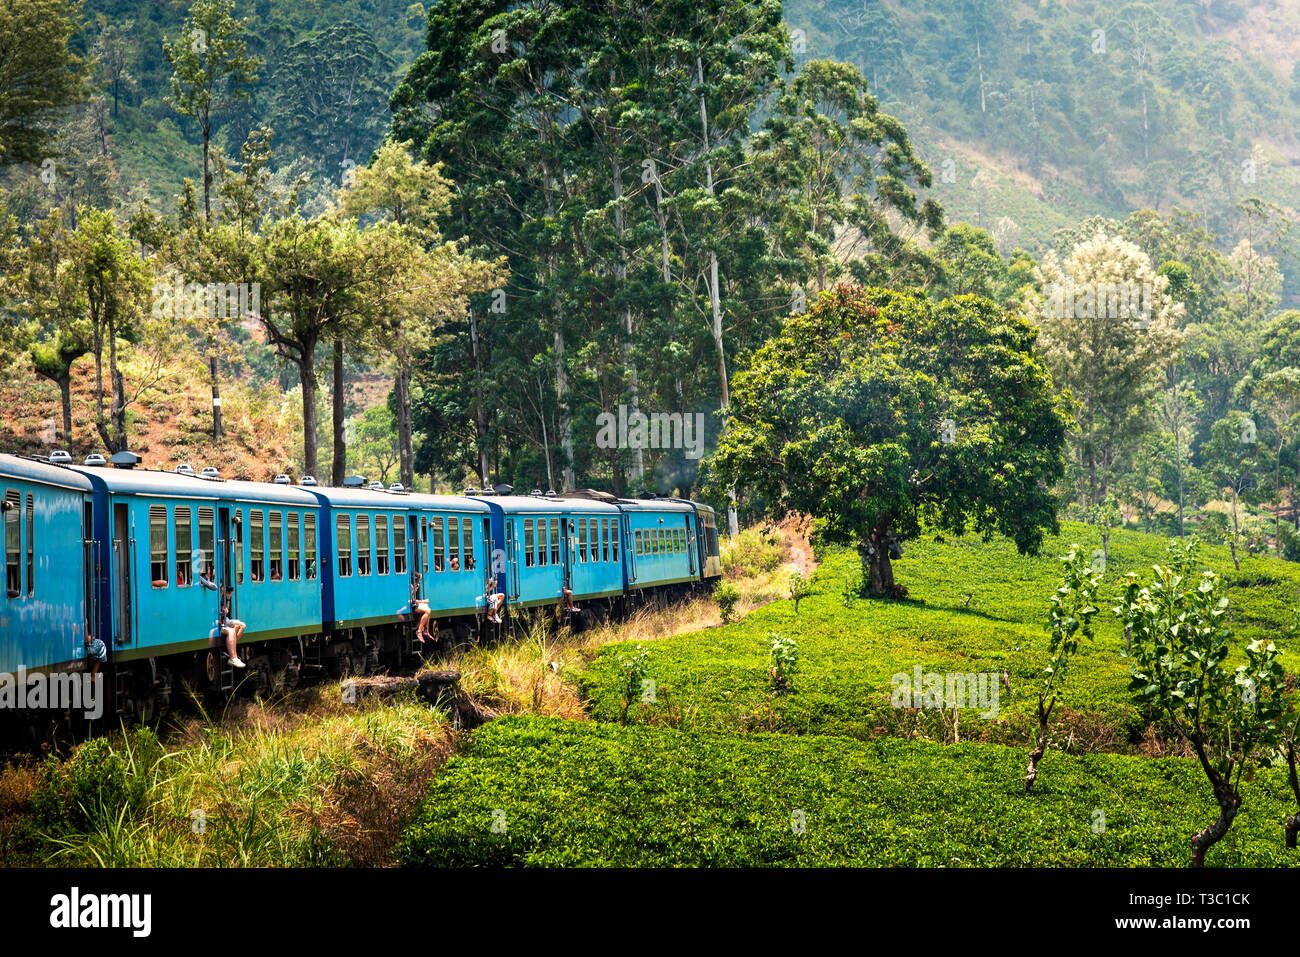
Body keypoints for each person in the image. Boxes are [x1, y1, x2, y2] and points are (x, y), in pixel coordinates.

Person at [218, 584, 246, 668]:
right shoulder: (217, 597)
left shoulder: (222, 597)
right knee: (233, 630)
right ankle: (232, 655)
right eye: (222, 587)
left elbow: (227, 611)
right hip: (222, 621)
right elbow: (220, 613)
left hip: (225, 619)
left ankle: (231, 647)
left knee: (242, 626)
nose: (223, 588)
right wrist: (223, 611)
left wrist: (228, 598)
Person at [410, 573, 434, 643]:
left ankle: (426, 630)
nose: (420, 581)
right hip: (411, 605)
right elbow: (410, 600)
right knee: (427, 611)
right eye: (419, 579)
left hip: (413, 604)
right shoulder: (411, 587)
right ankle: (419, 631)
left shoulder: (414, 586)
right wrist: (421, 601)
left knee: (427, 608)